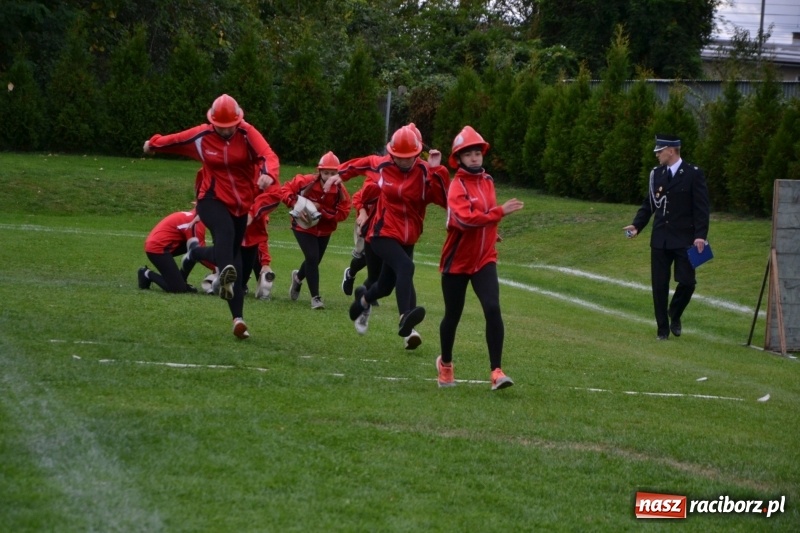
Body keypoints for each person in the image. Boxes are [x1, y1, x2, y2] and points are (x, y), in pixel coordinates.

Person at [143, 94, 280, 339]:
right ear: (212, 122)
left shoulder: (247, 134)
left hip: (241, 207)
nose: (225, 131)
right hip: (211, 200)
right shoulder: (202, 136)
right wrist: (153, 144)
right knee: (225, 235)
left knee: (236, 262)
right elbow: (175, 140)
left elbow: (268, 155)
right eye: (220, 127)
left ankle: (238, 319)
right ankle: (224, 274)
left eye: (230, 127)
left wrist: (268, 174)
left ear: (238, 121)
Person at [327, 125, 450, 349]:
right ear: (391, 153)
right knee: (406, 267)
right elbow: (361, 164)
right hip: (382, 232)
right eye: (398, 157)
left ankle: (363, 301)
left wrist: (436, 170)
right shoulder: (382, 165)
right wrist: (339, 174)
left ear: (417, 154)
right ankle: (405, 319)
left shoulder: (424, 172)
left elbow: (445, 199)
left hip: (408, 237)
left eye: (408, 157)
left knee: (384, 286)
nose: (402, 161)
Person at [435, 126, 523, 390]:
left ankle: (497, 372)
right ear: (458, 158)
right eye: (468, 154)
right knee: (453, 315)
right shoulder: (457, 186)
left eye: (477, 153)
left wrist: (492, 232)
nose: (474, 158)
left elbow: (483, 214)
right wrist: (499, 214)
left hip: (484, 258)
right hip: (457, 262)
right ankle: (445, 364)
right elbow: (464, 219)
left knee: (492, 308)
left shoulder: (487, 180)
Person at [623, 133, 710, 340]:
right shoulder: (657, 174)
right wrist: (637, 225)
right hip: (660, 238)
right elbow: (649, 204)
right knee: (659, 286)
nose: (657, 155)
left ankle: (675, 313)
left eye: (659, 151)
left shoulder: (693, 173)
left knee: (688, 282)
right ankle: (662, 330)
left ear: (671, 151)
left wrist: (700, 235)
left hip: (684, 239)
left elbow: (701, 208)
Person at [282, 151, 352, 309]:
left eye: (333, 173)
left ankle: (298, 278)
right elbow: (285, 190)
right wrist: (295, 204)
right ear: (319, 171)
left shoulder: (340, 191)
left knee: (314, 260)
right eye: (326, 173)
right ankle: (315, 298)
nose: (329, 177)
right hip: (302, 225)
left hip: (324, 229)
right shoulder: (306, 181)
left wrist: (320, 210)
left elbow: (344, 212)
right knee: (312, 257)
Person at [138, 208, 213, 293]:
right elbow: (199, 253)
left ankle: (182, 280)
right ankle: (146, 273)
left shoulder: (194, 216)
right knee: (177, 289)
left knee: (192, 248)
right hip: (157, 248)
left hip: (164, 245)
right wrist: (219, 267)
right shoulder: (196, 223)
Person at [241, 184, 282, 300]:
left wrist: (265, 262)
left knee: (254, 250)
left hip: (251, 244)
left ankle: (250, 283)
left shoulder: (260, 215)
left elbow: (261, 240)